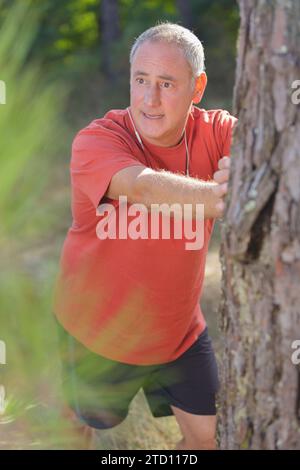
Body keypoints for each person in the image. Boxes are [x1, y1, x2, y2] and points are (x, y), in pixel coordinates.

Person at [53, 22, 237, 450]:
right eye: (141, 80)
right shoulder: (97, 140)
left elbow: (264, 142)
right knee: (73, 430)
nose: (150, 99)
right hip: (97, 334)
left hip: (179, 335)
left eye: (167, 84)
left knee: (209, 439)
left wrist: (247, 162)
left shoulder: (215, 132)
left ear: (197, 87)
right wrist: (226, 195)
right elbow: (140, 186)